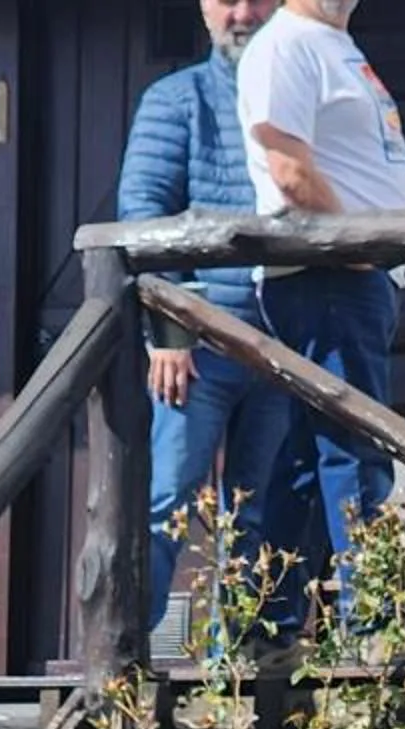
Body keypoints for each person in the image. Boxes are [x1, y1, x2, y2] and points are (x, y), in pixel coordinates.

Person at [118, 0, 306, 640]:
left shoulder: (295, 99)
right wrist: (168, 331)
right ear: (203, 9)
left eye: (259, 0)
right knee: (169, 499)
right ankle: (128, 654)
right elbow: (142, 219)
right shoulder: (177, 100)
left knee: (255, 512)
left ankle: (241, 667)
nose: (243, 13)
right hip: (197, 344)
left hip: (280, 342)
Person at [236, 0, 405, 610]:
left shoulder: (333, 44)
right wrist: (358, 249)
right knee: (354, 445)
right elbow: (288, 170)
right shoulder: (285, 44)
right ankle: (370, 625)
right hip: (329, 274)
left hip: (352, 276)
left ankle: (267, 626)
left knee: (307, 459)